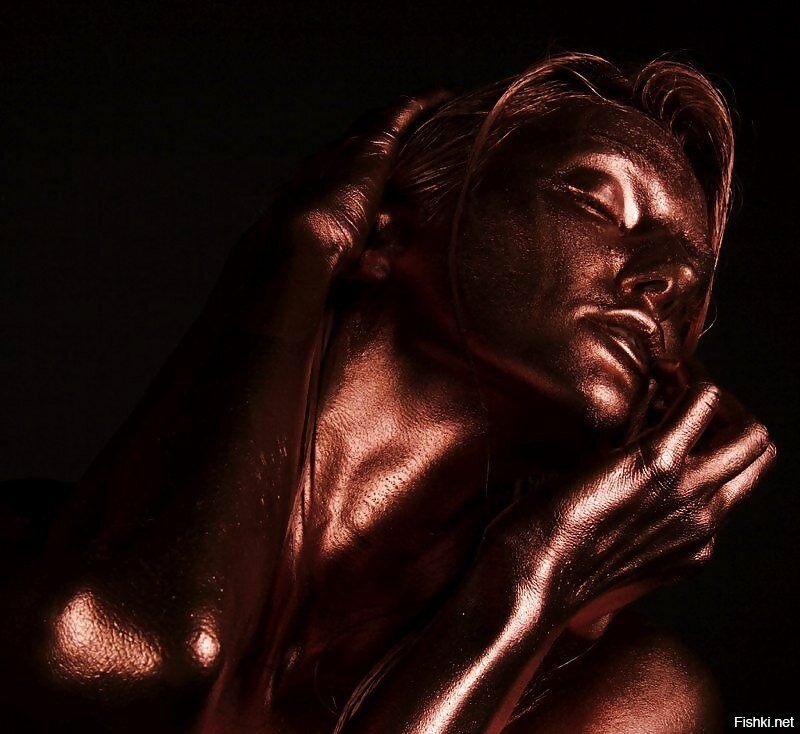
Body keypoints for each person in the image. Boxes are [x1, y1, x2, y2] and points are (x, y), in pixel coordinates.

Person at [0, 51, 776, 733]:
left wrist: (527, 588)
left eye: (690, 278)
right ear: (384, 223)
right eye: (597, 199)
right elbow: (120, 654)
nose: (671, 282)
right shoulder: (24, 550)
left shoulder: (629, 699)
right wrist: (294, 255)